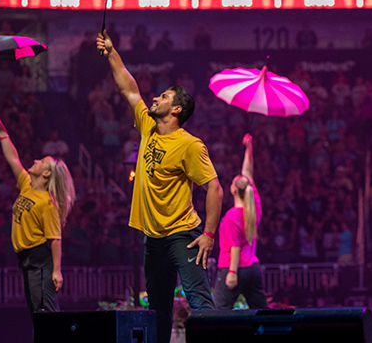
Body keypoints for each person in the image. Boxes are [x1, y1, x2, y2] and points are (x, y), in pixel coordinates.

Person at [97, 32, 223, 343]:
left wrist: (208, 235)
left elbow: (215, 189)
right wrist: (112, 52)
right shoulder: (148, 127)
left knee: (200, 304)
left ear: (177, 110)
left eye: (164, 97)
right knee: (157, 311)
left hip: (184, 236)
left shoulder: (189, 145)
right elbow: (128, 88)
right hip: (153, 239)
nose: (155, 98)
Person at [0, 113, 75, 313]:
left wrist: (56, 271)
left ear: (47, 174)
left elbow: (55, 239)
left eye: (42, 162)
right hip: (26, 261)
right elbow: (13, 158)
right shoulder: (27, 185)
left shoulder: (48, 204)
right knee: (36, 312)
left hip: (39, 261)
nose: (36, 160)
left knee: (44, 313)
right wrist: (2, 132)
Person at [213, 133, 269, 310]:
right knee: (262, 312)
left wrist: (231, 273)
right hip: (252, 268)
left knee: (219, 313)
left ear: (234, 190)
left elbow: (235, 248)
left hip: (234, 267)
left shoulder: (231, 217)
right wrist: (249, 149)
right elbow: (248, 173)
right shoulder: (255, 206)